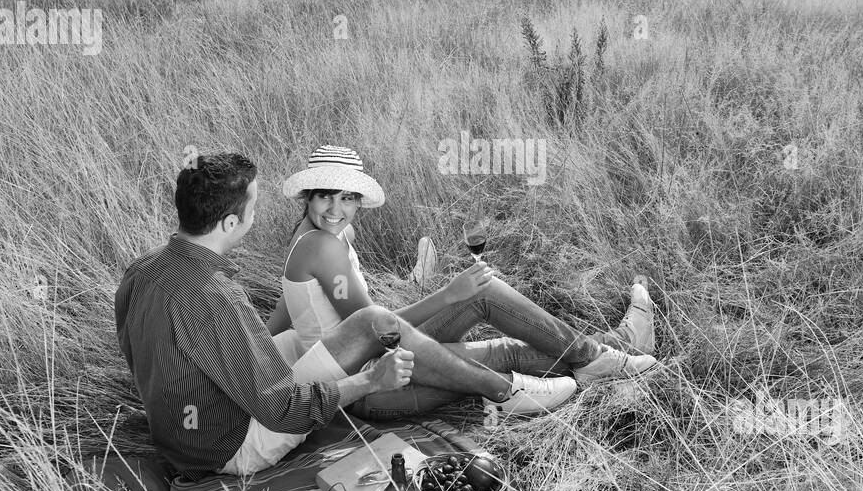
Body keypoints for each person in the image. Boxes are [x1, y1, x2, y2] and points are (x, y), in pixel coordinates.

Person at [114, 151, 542, 480]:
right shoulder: (214, 294)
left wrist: (245, 359)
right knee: (367, 324)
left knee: (311, 340)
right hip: (231, 444)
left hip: (183, 436)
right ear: (230, 222)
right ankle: (506, 390)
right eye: (251, 207)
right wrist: (368, 382)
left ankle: (560, 360)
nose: (255, 215)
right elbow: (284, 413)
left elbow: (146, 355)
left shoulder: (144, 269)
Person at [264, 145, 660, 422]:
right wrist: (449, 294)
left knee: (490, 308)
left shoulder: (311, 235)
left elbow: (286, 308)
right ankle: (615, 350)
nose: (336, 210)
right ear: (308, 196)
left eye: (346, 198)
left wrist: (261, 360)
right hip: (375, 384)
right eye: (325, 198)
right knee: (500, 338)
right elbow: (378, 330)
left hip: (382, 361)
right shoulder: (322, 247)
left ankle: (605, 354)